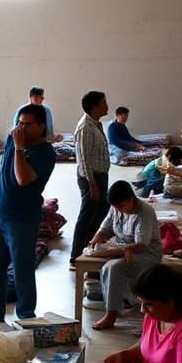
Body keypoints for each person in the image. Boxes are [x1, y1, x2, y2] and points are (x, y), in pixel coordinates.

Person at [0, 103, 55, 321]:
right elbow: (3, 175)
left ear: (42, 126)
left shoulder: (45, 153)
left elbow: (22, 179)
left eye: (27, 125)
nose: (20, 129)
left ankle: (25, 317)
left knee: (22, 272)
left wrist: (19, 148)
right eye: (19, 123)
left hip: (21, 221)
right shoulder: (12, 142)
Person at [86, 180, 162, 330]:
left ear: (130, 200)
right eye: (115, 207)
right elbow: (106, 228)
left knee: (113, 268)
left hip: (146, 254)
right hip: (123, 249)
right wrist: (95, 241)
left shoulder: (144, 211)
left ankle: (111, 314)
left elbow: (142, 244)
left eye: (121, 206)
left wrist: (111, 252)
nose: (118, 210)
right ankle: (115, 303)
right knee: (106, 265)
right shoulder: (116, 208)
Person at [72, 90, 111, 265]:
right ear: (94, 107)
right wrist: (92, 184)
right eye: (103, 102)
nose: (107, 105)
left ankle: (91, 250)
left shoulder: (96, 124)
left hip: (100, 176)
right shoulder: (85, 127)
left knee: (101, 214)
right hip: (91, 179)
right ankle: (76, 257)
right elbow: (84, 159)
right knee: (87, 216)